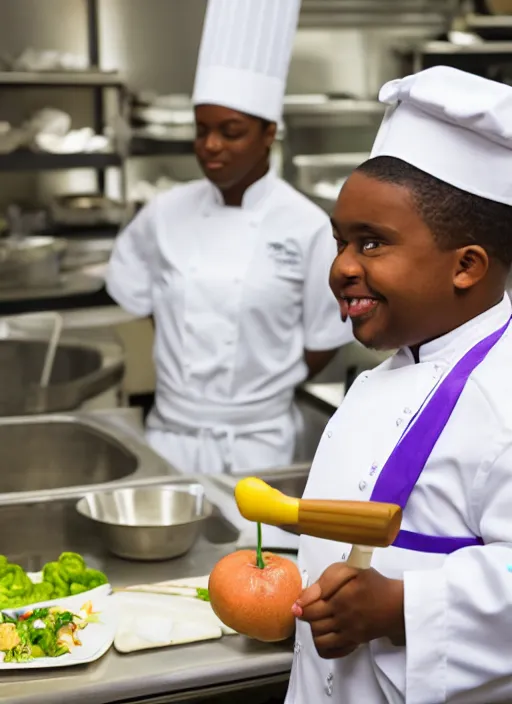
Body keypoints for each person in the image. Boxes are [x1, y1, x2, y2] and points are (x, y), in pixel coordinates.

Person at [285, 66, 512, 703]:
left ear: (466, 265)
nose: (341, 267)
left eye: (371, 243)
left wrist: (400, 608)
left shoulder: (504, 394)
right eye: (339, 241)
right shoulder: (389, 374)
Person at [106, 0, 352, 476]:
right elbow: (146, 301)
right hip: (170, 439)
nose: (211, 145)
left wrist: (260, 389)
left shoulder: (306, 224)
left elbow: (323, 337)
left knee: (256, 552)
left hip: (261, 445)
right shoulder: (164, 213)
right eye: (202, 130)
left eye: (231, 131)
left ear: (268, 134)